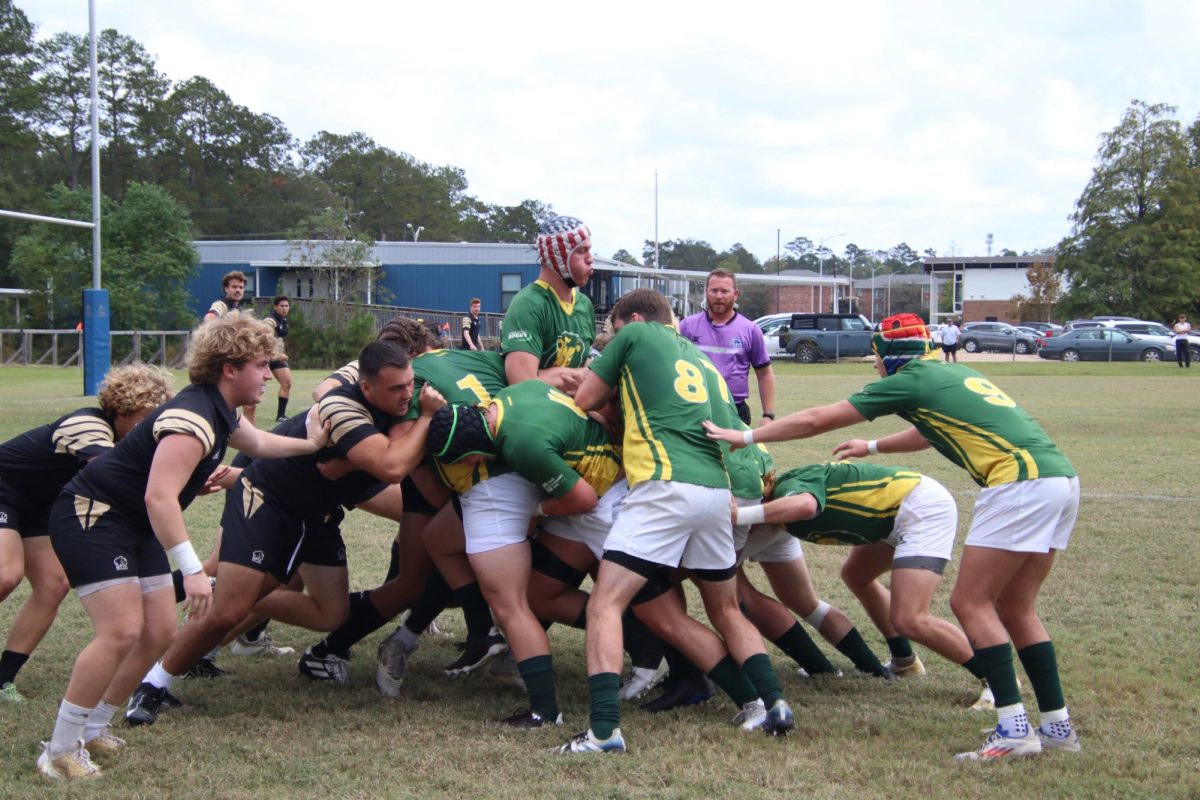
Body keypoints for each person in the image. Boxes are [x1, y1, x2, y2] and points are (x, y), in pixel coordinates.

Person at [705, 312, 1081, 761]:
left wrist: (747, 435)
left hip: (1018, 482)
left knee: (970, 604)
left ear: (890, 356)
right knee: (1017, 609)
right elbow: (930, 431)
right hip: (1060, 478)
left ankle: (1013, 727)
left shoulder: (909, 379)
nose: (874, 365)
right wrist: (874, 446)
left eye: (877, 356)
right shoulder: (953, 371)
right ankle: (1057, 724)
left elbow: (818, 419)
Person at [36, 312, 330, 780]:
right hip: (93, 515)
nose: (269, 376)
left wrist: (311, 445)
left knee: (158, 632)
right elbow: (159, 497)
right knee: (121, 630)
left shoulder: (221, 409)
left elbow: (256, 442)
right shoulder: (191, 418)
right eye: (261, 365)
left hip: (134, 520)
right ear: (229, 368)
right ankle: (58, 750)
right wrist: (193, 569)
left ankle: (95, 727)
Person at [125, 340, 443, 726]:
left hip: (318, 515)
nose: (406, 394)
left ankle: (235, 592)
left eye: (409, 384)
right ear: (367, 387)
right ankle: (151, 685)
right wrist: (425, 418)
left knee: (331, 613)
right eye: (395, 389)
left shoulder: (404, 386)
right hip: (269, 500)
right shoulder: (343, 407)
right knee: (229, 609)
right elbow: (392, 467)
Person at [562, 288, 795, 755]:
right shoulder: (702, 356)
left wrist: (592, 392)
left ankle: (604, 732)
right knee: (726, 608)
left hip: (663, 485)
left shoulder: (634, 336)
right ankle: (770, 703)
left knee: (605, 604)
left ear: (631, 319)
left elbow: (587, 395)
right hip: (715, 491)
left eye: (615, 330)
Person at [734, 461, 996, 707]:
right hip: (894, 517)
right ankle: (904, 661)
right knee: (856, 575)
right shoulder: (775, 520)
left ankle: (996, 681)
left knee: (912, 618)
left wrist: (740, 515)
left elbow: (804, 506)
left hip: (921, 510)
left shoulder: (788, 486)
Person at [0, 365, 174, 703]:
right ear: (123, 409)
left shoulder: (123, 437)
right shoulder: (87, 423)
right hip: (3, 490)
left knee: (53, 586)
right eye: (145, 417)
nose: (150, 429)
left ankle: (2, 678)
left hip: (38, 508)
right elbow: (108, 470)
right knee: (6, 574)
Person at [499, 215, 595, 393]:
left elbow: (588, 367)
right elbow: (521, 382)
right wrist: (577, 376)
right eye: (581, 251)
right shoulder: (528, 304)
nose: (591, 258)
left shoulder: (584, 304)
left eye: (590, 250)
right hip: (540, 415)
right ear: (559, 257)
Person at [678, 268, 776, 426]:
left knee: (734, 451)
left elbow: (764, 373)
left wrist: (768, 415)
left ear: (735, 294)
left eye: (724, 291)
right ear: (706, 292)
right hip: (695, 408)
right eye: (714, 290)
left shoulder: (750, 329)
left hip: (735, 410)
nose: (718, 296)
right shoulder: (687, 326)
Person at [265, 296, 293, 421]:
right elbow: (263, 336)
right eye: (282, 306)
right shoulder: (270, 320)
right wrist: (275, 352)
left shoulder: (284, 320)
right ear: (275, 307)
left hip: (277, 357)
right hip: (265, 356)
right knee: (256, 387)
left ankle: (281, 416)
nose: (284, 308)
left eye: (287, 306)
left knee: (287, 383)